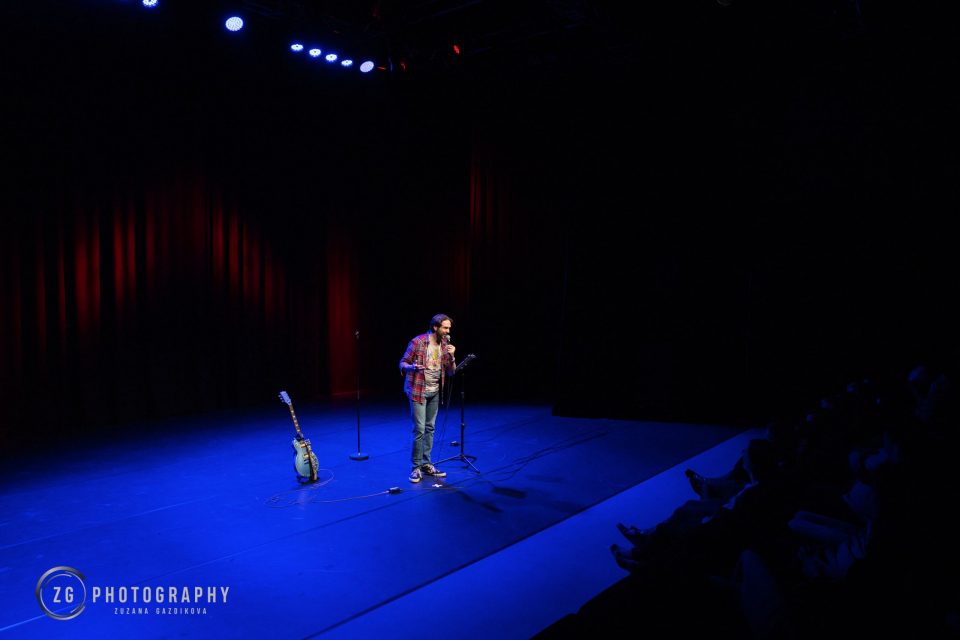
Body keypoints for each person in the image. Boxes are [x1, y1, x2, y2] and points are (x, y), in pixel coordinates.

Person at [399, 313, 456, 483]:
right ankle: (416, 468)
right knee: (420, 429)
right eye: (445, 328)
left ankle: (426, 464)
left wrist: (452, 356)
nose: (447, 331)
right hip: (418, 390)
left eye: (449, 328)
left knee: (430, 428)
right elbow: (402, 363)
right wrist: (412, 368)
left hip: (435, 391)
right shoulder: (418, 342)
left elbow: (451, 372)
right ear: (435, 327)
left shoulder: (444, 345)